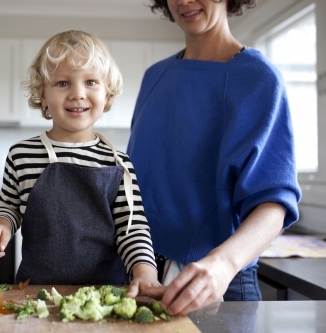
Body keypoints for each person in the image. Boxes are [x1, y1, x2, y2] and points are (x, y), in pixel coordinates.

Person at [126, 0, 302, 315]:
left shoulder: (258, 78)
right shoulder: (154, 77)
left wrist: (222, 265)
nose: (184, 1)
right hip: (142, 276)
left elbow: (275, 202)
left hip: (216, 283)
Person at [0, 30, 159, 290]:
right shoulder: (21, 155)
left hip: (104, 295)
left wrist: (145, 272)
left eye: (90, 82)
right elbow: (8, 204)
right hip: (35, 292)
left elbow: (132, 229)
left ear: (107, 94)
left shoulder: (118, 163)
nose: (78, 93)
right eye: (63, 83)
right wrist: (0, 224)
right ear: (43, 95)